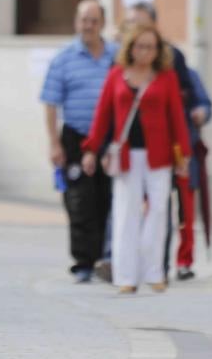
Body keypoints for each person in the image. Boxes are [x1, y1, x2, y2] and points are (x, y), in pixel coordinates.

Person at [81, 25, 191, 294]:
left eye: (151, 47)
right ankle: (126, 276)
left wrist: (183, 154)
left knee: (157, 212)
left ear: (158, 51)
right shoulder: (116, 75)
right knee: (125, 214)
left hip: (160, 156)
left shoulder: (166, 77)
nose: (145, 52)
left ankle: (154, 272)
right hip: (126, 157)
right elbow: (102, 115)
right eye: (140, 46)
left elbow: (177, 117)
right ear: (130, 47)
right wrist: (91, 149)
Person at [41, 0, 117, 283]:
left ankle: (105, 258)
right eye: (84, 20)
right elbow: (50, 103)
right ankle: (83, 262)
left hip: (108, 139)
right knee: (78, 200)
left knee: (105, 198)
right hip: (74, 137)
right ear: (76, 22)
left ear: (102, 24)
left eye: (94, 20)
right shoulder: (63, 58)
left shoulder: (116, 56)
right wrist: (54, 143)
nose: (88, 26)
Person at [165, 68, 212, 281]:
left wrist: (201, 113)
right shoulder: (149, 76)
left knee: (186, 208)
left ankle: (184, 260)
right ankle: (157, 260)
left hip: (186, 147)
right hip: (158, 150)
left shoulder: (188, 75)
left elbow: (205, 104)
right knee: (157, 209)